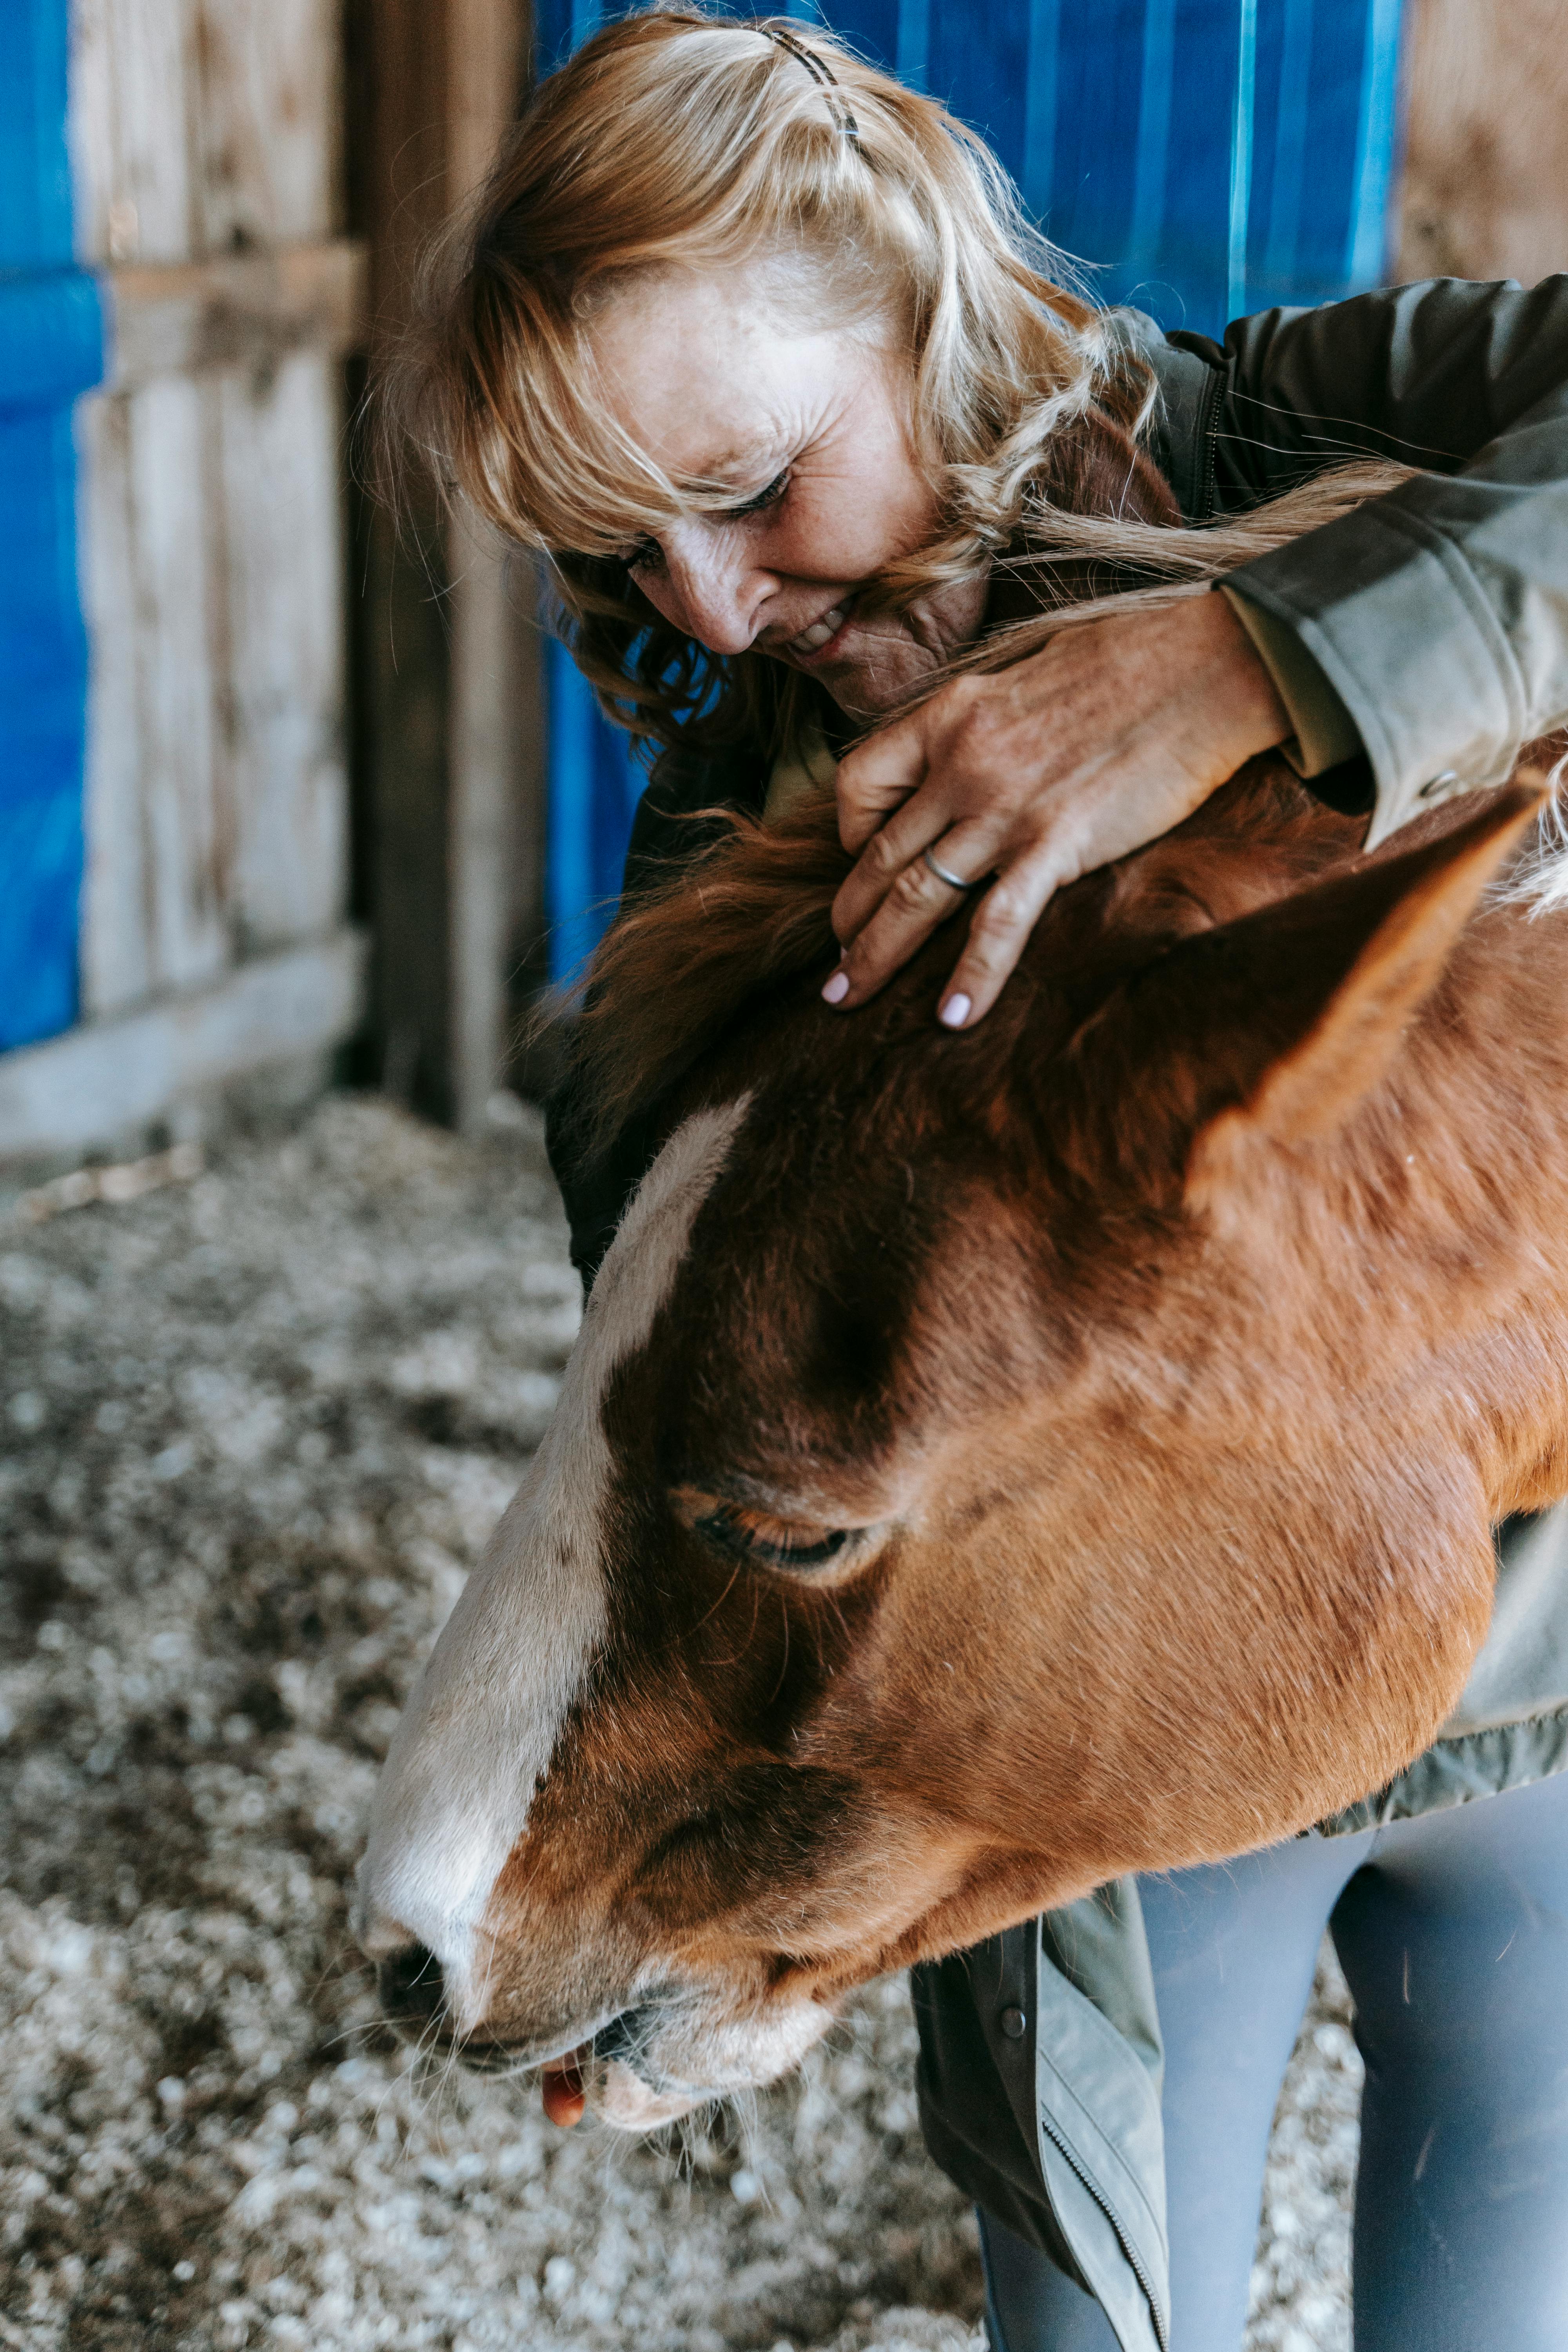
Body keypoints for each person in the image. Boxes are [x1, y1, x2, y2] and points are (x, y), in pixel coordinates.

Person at [387, 13, 1568, 2348]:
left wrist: (1255, 657)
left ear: (925, 287)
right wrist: (727, 1901)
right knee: (1099, 2295)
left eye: (752, 481)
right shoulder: (740, 786)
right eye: (621, 543)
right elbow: (709, 1397)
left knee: (1508, 2251)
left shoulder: (1319, 421)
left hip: (1547, 1651)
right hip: (1117, 1749)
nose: (711, 609)